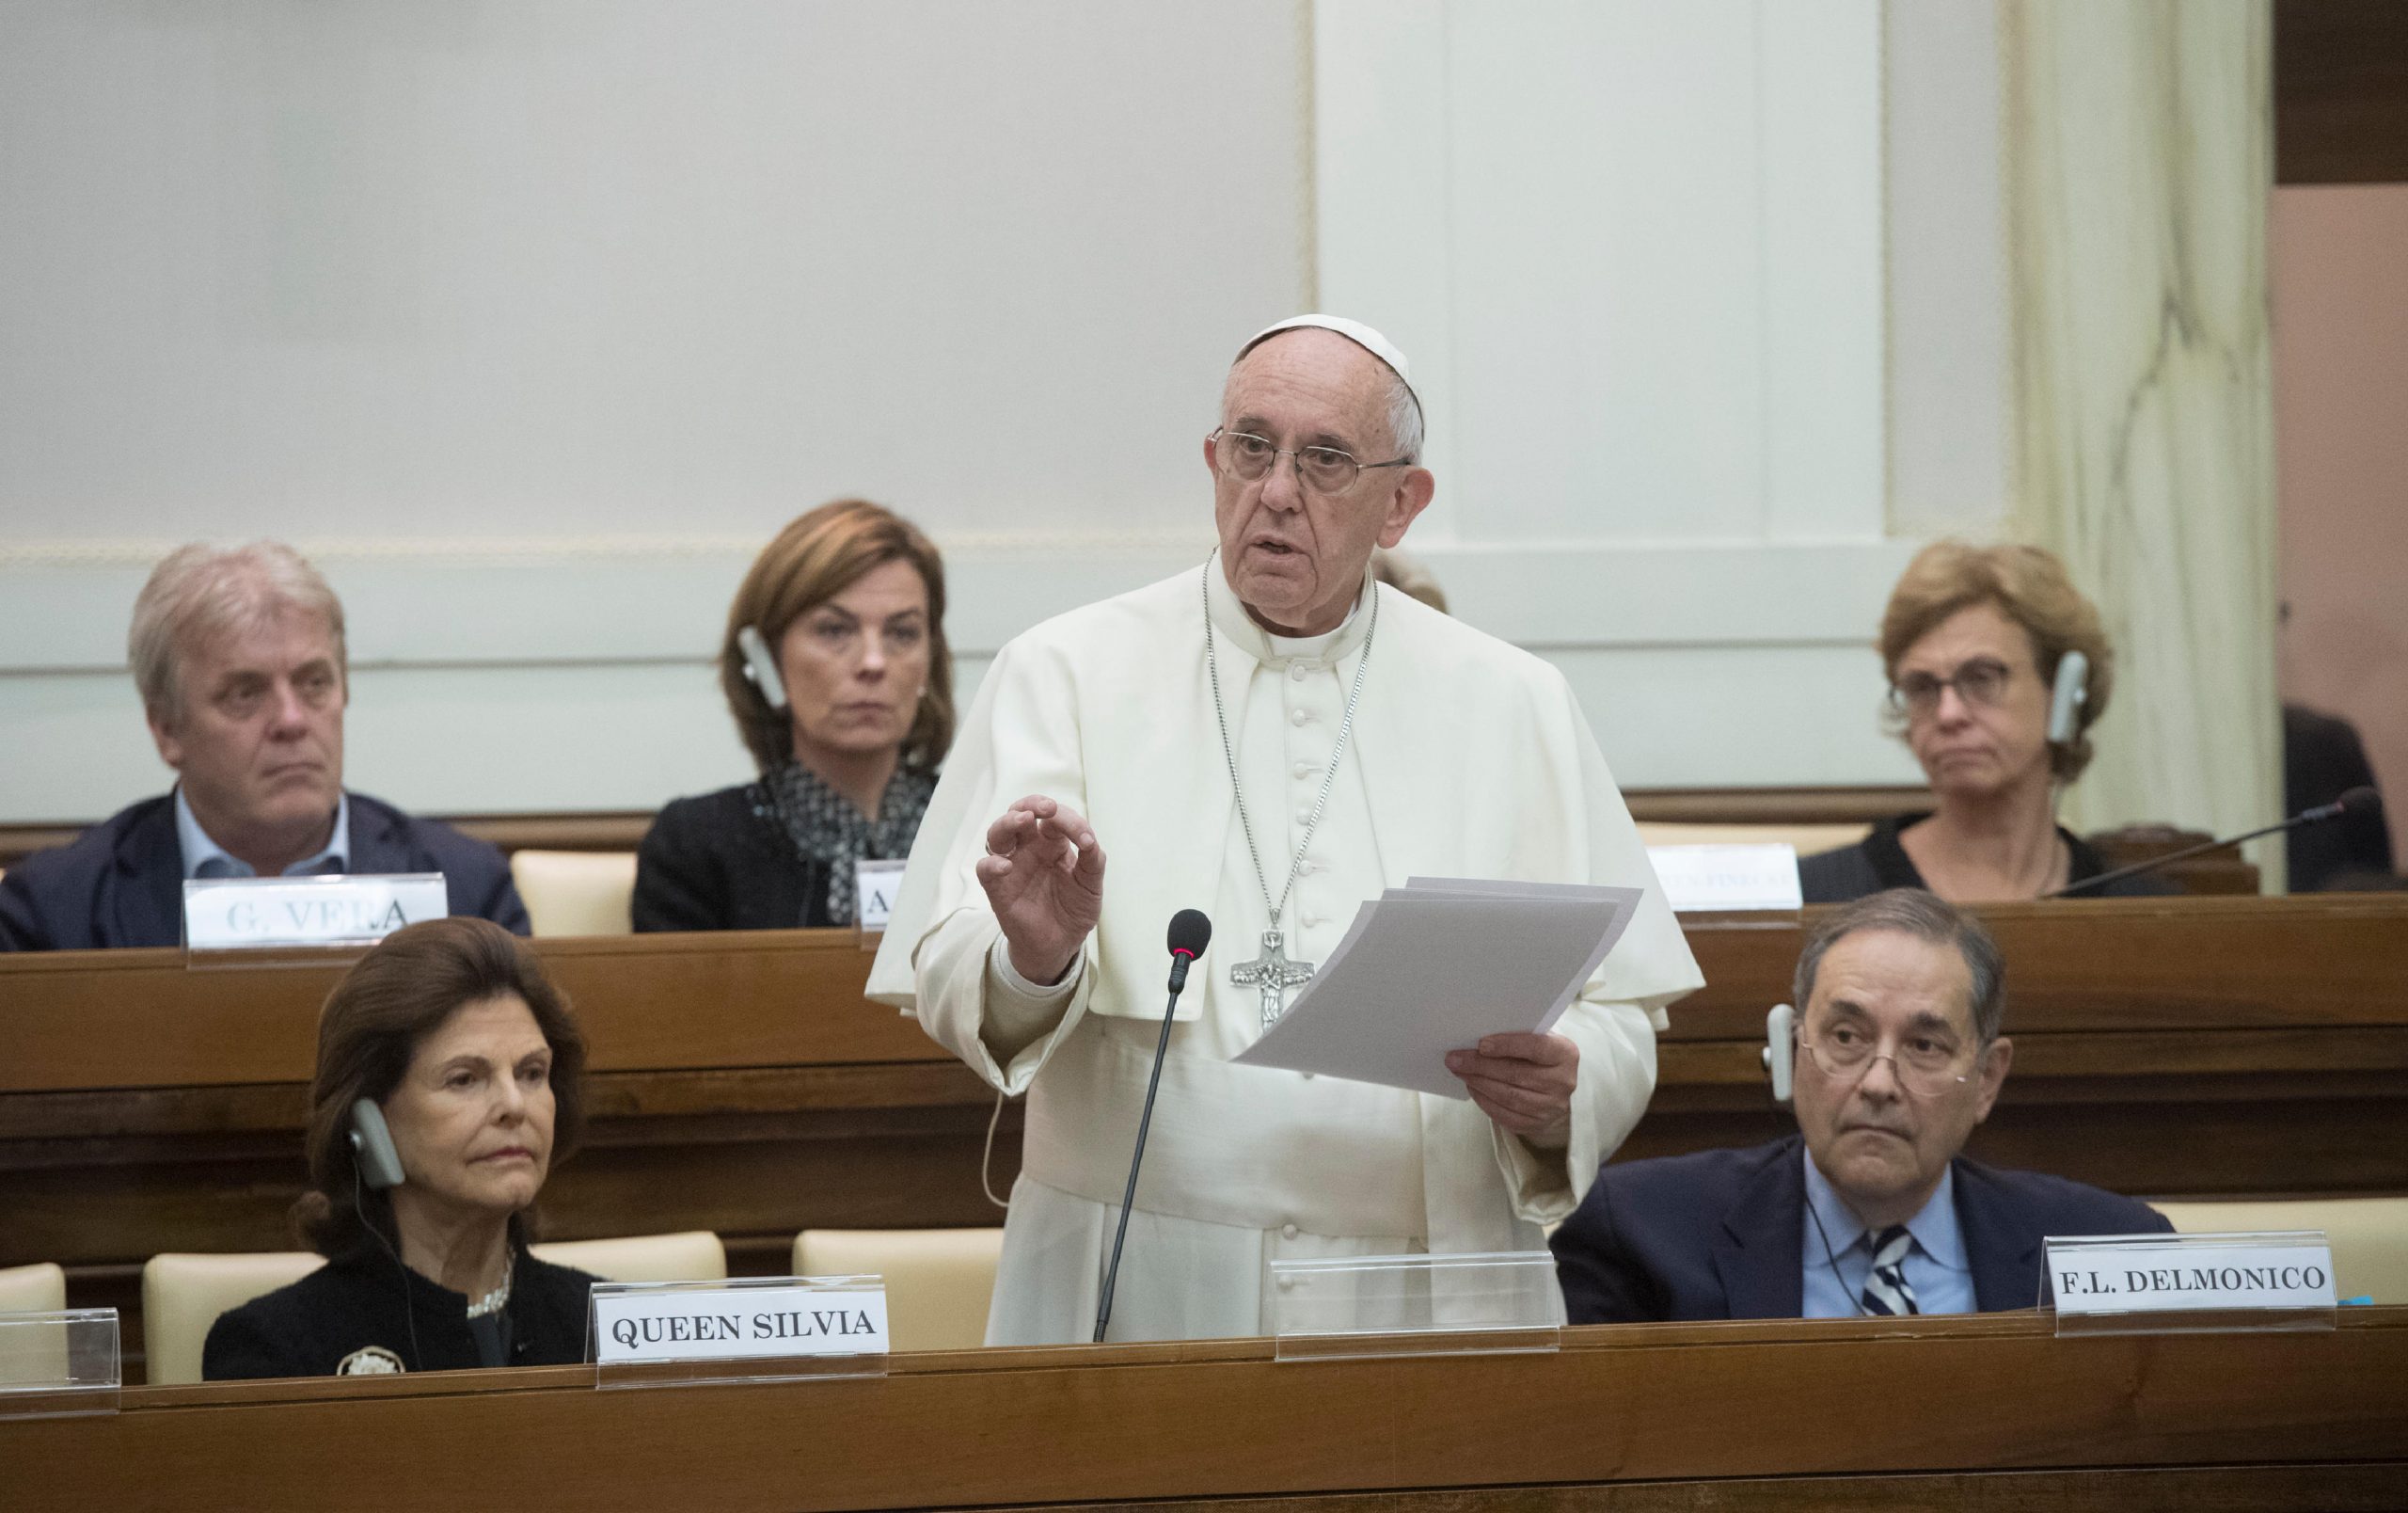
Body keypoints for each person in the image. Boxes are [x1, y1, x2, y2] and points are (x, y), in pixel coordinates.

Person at [868, 314, 1701, 1345]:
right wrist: (1034, 958)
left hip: (1423, 1282)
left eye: (1325, 461)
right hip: (1142, 1270)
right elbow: (949, 967)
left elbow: (1621, 1017)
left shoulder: (1513, 702)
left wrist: (1561, 1089)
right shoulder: (1066, 672)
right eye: (1251, 449)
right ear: (1213, 461)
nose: (1274, 492)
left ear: (1402, 503)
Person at [1550, 889, 2170, 1323]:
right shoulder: (1639, 1236)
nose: (1879, 1083)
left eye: (1925, 1046)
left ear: (1986, 1079)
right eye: (1847, 1037)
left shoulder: (2111, 1252)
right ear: (1796, 1051)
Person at [0, 542, 528, 951]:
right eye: (245, 694)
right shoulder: (51, 911)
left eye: (314, 683)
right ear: (166, 729)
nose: (292, 720)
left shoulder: (467, 893)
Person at [205, 917, 599, 1377]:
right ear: (369, 1120)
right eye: (465, 1079)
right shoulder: (275, 1351)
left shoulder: (609, 1330)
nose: (514, 1105)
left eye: (532, 1073)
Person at [634, 501, 953, 932]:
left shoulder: (980, 832)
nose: (874, 662)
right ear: (766, 658)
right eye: (834, 630)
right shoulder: (699, 845)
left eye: (902, 632)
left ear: (929, 659)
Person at [1799, 541, 2174, 903]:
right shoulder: (1812, 898)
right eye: (1923, 687)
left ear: (2061, 693)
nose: (1948, 714)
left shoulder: (2145, 912)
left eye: (1981, 678)